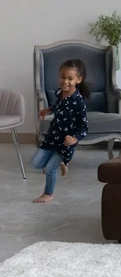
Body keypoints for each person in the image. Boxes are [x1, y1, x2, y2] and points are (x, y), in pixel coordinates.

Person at [33, 59, 90, 203]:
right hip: (53, 136)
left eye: (70, 79)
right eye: (63, 77)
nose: (65, 81)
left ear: (79, 79)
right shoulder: (59, 92)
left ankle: (48, 193)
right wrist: (48, 109)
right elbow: (58, 105)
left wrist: (74, 139)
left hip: (66, 142)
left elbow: (84, 126)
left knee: (50, 167)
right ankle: (62, 163)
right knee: (36, 163)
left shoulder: (79, 102)